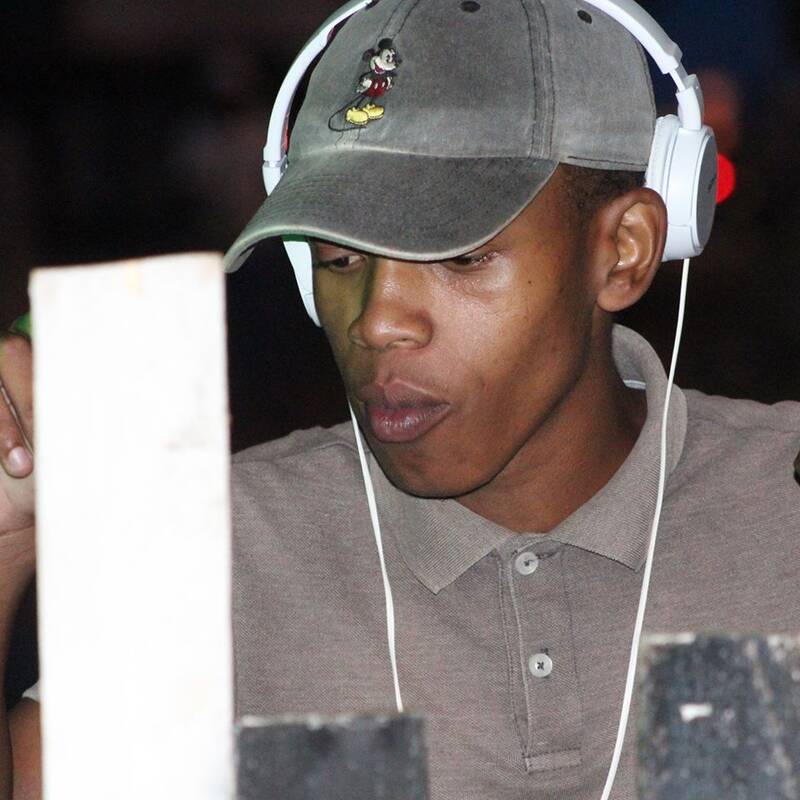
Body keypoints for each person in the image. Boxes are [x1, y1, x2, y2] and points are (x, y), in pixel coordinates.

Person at [2, 1, 799, 798]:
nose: (378, 321)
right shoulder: (220, 546)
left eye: (458, 255)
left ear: (623, 251)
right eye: (339, 259)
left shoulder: (782, 500)